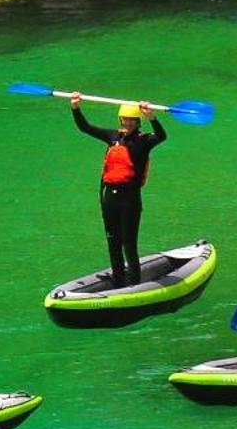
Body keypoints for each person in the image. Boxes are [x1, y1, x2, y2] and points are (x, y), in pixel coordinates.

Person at [70, 93, 167, 287]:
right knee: (113, 243)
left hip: (129, 200)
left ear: (138, 122)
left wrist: (152, 117)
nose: (127, 123)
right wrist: (75, 107)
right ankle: (119, 283)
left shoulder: (144, 141)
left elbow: (161, 136)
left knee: (128, 244)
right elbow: (85, 127)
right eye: (124, 119)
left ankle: (135, 285)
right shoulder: (113, 137)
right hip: (110, 199)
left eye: (131, 120)